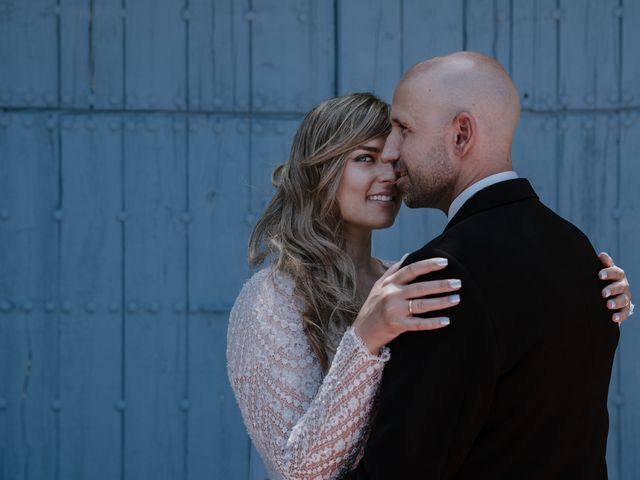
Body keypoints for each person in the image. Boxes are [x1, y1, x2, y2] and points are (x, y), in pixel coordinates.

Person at [226, 93, 632, 480]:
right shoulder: (271, 299)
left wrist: (589, 293)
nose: (390, 174)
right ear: (318, 171)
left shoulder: (405, 278)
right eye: (366, 158)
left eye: (393, 158)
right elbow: (297, 471)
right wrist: (364, 339)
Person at [351, 52, 629, 479]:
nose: (390, 151)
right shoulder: (579, 250)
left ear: (461, 134)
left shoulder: (442, 273)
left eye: (403, 129)